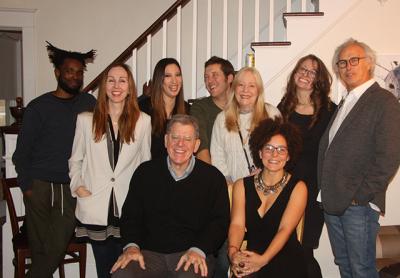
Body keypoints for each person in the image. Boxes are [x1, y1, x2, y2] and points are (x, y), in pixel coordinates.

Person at [12, 42, 96, 278]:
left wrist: (143, 99)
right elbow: (21, 153)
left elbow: (113, 120)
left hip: (69, 188)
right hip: (38, 188)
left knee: (54, 249)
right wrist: (27, 187)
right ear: (58, 72)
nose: (75, 76)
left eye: (79, 72)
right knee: (41, 251)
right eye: (70, 71)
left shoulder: (89, 104)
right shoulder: (38, 107)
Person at [318, 38, 400, 277]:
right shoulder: (346, 101)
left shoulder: (384, 101)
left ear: (369, 63)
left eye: (354, 60)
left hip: (358, 206)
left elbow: (390, 155)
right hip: (333, 202)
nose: (348, 66)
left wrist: (361, 197)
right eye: (342, 62)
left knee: (361, 269)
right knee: (345, 265)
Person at [111, 114, 230, 278]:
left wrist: (199, 250)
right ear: (166, 141)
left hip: (191, 254)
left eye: (187, 139)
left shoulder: (213, 178)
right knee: (122, 274)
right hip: (148, 255)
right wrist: (132, 247)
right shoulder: (145, 173)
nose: (180, 144)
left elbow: (220, 223)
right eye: (175, 137)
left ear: (196, 145)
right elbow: (131, 216)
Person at [68, 64, 151, 278]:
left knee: (126, 270)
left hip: (128, 208)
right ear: (104, 86)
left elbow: (145, 165)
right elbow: (75, 160)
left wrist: (143, 201)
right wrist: (78, 186)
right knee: (105, 270)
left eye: (122, 80)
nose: (116, 86)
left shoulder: (143, 121)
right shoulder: (85, 120)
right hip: (96, 205)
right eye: (111, 80)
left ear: (130, 87)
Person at [278, 54, 336, 278]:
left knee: (304, 250)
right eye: (301, 69)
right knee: (286, 248)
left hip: (315, 193)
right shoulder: (283, 108)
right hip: (286, 191)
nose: (305, 74)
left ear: (318, 79)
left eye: (311, 72)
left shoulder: (331, 111)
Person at [228, 118, 307, 277]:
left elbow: (285, 230)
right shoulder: (241, 186)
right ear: (259, 152)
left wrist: (263, 260)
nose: (274, 154)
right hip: (252, 255)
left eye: (281, 149)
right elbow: (237, 225)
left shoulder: (299, 188)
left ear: (288, 156)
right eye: (268, 148)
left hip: (286, 258)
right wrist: (233, 252)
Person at [210, 66, 281, 185]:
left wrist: (263, 172)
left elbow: (280, 152)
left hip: (267, 186)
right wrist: (232, 186)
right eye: (241, 85)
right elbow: (217, 157)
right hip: (232, 188)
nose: (245, 90)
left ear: (259, 90)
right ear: (234, 89)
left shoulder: (272, 115)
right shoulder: (221, 119)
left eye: (251, 86)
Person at [139, 58, 190, 159]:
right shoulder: (142, 108)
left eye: (178, 75)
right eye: (167, 76)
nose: (174, 81)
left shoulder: (188, 111)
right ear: (159, 79)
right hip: (148, 170)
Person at [190, 56, 235, 164]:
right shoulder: (199, 107)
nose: (209, 81)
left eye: (215, 75)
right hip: (212, 172)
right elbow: (201, 148)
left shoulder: (242, 106)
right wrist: (215, 178)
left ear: (229, 78)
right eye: (206, 77)